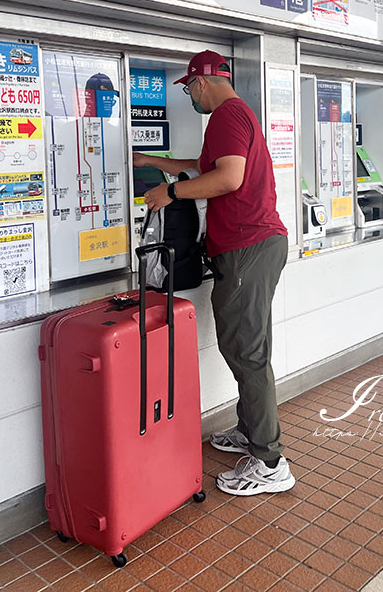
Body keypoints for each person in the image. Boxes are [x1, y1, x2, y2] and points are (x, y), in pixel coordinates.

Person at [133, 50, 294, 496]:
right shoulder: (236, 116)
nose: (188, 96)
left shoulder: (225, 116)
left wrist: (170, 191)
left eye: (187, 88)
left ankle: (269, 461)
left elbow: (228, 180)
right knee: (247, 346)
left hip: (249, 247)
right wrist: (154, 163)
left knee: (248, 353)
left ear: (202, 83)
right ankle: (250, 431)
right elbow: (209, 168)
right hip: (252, 246)